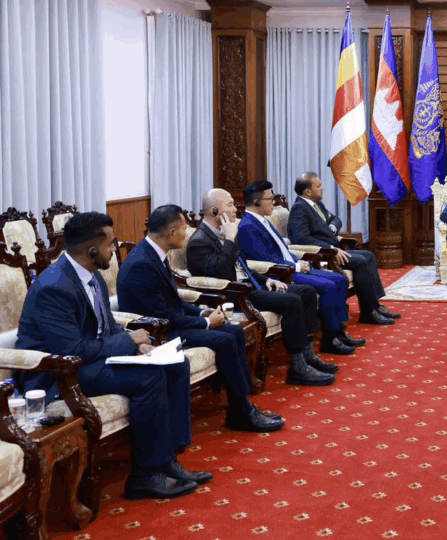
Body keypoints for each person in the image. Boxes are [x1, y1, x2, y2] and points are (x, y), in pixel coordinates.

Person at [16, 212, 208, 500]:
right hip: (57, 374)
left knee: (175, 364)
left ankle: (168, 459)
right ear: (93, 250)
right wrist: (128, 340)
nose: (114, 249)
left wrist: (136, 346)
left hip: (89, 360)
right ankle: (146, 475)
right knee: (149, 377)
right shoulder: (54, 287)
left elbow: (106, 325)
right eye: (110, 244)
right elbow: (71, 351)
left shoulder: (92, 275)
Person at [118, 205, 285, 433]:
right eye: (184, 229)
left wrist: (201, 313)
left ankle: (242, 406)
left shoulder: (154, 253)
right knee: (225, 338)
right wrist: (206, 323)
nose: (186, 234)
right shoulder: (141, 264)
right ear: (171, 233)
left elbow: (173, 301)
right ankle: (241, 411)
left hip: (170, 322)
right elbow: (163, 316)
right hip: (157, 333)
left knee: (235, 330)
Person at [186, 188, 337, 386]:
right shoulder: (199, 242)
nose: (236, 209)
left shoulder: (227, 230)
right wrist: (230, 239)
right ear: (215, 211)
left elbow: (242, 266)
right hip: (235, 294)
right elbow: (221, 273)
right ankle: (297, 367)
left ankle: (308, 355)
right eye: (230, 205)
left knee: (306, 292)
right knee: (292, 301)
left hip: (251, 285)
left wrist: (266, 280)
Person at [236, 181, 369, 355]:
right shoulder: (247, 226)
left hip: (293, 267)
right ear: (257, 202)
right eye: (270, 199)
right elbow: (264, 259)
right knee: (329, 286)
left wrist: (297, 261)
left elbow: (282, 250)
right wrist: (296, 266)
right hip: (281, 275)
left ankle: (339, 332)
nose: (273, 203)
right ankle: (329, 339)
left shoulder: (262, 221)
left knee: (340, 279)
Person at [287, 172, 401, 325]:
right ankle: (368, 313)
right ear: (308, 191)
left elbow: (335, 219)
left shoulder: (316, 204)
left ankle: (375, 306)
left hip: (334, 250)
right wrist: (330, 248)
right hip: (322, 256)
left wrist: (332, 228)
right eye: (318, 186)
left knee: (369, 255)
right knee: (360, 261)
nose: (322, 188)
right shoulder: (299, 209)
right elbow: (302, 239)